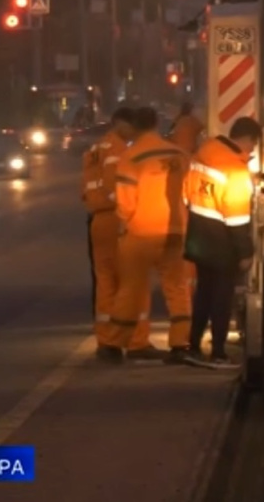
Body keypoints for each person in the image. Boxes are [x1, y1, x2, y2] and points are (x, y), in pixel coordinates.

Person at [104, 108, 193, 364]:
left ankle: (114, 343)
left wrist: (127, 221)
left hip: (141, 232)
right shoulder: (178, 154)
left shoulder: (131, 157)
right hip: (175, 230)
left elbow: (126, 202)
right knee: (177, 287)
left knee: (131, 288)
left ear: (133, 126)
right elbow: (189, 191)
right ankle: (180, 344)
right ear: (156, 124)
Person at [182, 116, 262, 369]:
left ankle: (193, 346)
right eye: (253, 145)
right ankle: (218, 353)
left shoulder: (204, 151)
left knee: (204, 293)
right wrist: (246, 252)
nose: (252, 151)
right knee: (221, 297)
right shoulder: (235, 169)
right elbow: (237, 217)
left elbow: (186, 192)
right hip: (222, 241)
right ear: (248, 139)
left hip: (198, 233)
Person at [83, 107, 161, 362]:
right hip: (118, 219)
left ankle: (107, 342)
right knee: (133, 281)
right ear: (121, 124)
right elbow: (116, 188)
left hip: (99, 220)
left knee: (106, 282)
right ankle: (136, 341)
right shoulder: (119, 150)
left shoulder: (98, 148)